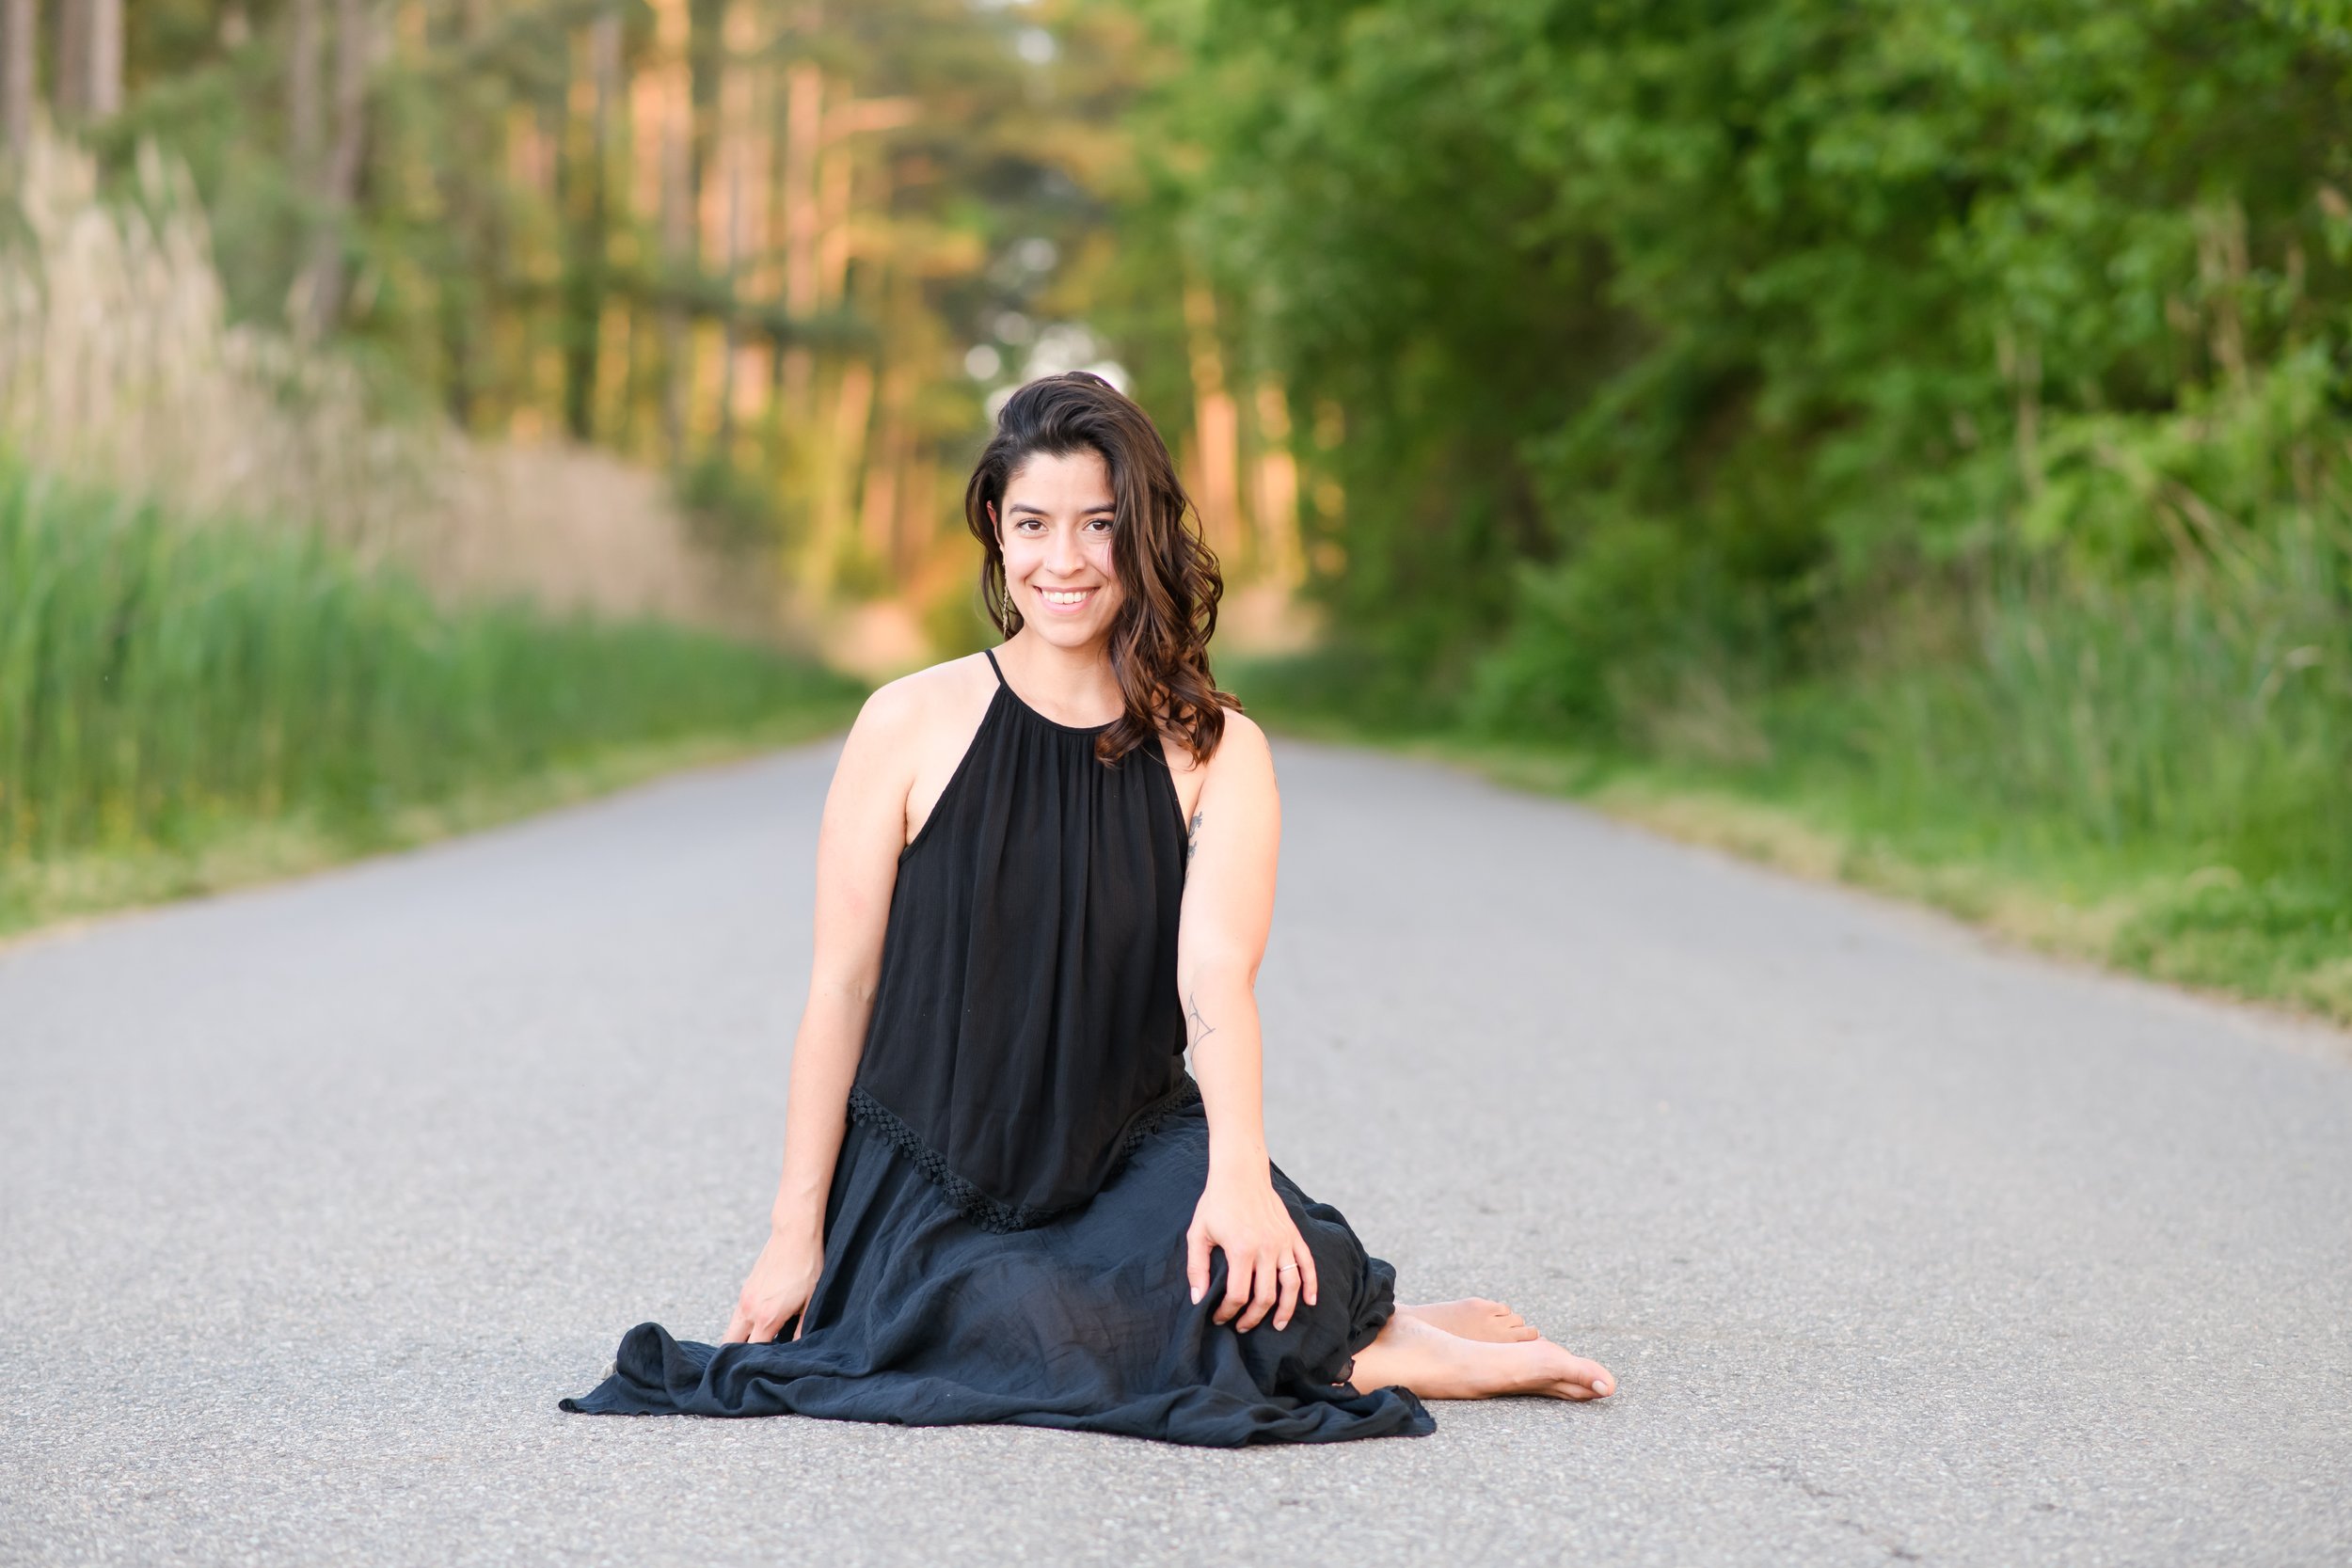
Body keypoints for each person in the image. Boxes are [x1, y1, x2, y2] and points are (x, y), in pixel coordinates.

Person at [562, 372, 1614, 1444]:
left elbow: (1215, 979)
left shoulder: (1217, 750)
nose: (1062, 560)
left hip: (1124, 1141)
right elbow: (843, 982)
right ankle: (1396, 1344)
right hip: (931, 1163)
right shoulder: (909, 720)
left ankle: (1361, 1324)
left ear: (1142, 534)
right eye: (1032, 524)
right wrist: (795, 1229)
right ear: (995, 526)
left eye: (1097, 526)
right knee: (1018, 1322)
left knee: (1256, 1254)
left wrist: (1238, 1173)